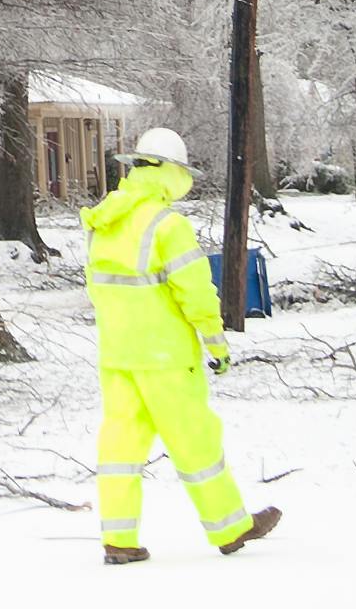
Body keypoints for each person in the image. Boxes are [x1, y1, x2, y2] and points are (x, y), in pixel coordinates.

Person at [83, 126, 279, 566]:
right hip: (166, 358)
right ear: (171, 173)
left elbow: (96, 290)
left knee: (120, 445)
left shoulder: (103, 220)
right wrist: (216, 343)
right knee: (195, 440)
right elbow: (195, 291)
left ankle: (119, 539)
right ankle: (230, 527)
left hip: (117, 356)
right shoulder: (167, 225)